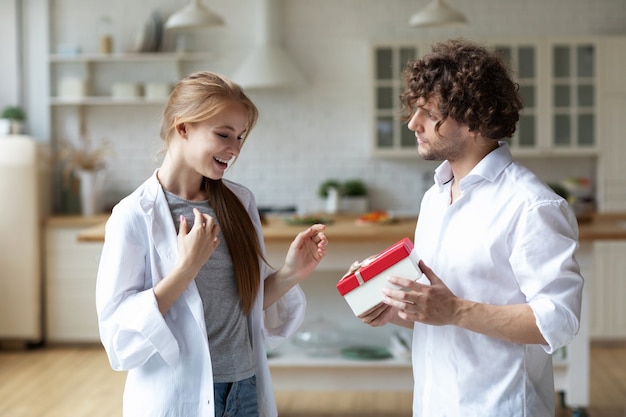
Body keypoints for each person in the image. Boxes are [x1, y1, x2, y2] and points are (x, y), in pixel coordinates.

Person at [360, 39, 584, 417]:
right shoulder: (435, 196)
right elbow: (444, 311)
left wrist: (456, 311)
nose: (412, 123)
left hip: (500, 407)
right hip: (434, 404)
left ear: (475, 119)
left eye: (428, 113)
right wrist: (394, 308)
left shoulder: (531, 205)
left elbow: (559, 321)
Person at [95, 71, 328, 417]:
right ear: (183, 127)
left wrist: (292, 272)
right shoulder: (134, 215)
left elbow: (245, 305)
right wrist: (186, 268)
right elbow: (118, 338)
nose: (234, 148)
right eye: (223, 134)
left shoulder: (239, 203)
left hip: (244, 390)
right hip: (178, 398)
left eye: (240, 136)